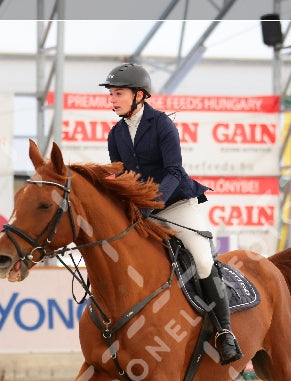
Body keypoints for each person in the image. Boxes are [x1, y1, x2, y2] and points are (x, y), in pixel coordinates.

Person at [99, 62, 242, 365]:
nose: (112, 99)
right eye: (111, 94)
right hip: (143, 210)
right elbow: (122, 176)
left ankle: (224, 332)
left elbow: (174, 171)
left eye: (118, 93)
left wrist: (153, 202)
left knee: (202, 258)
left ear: (139, 95)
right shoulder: (116, 135)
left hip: (176, 204)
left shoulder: (162, 124)